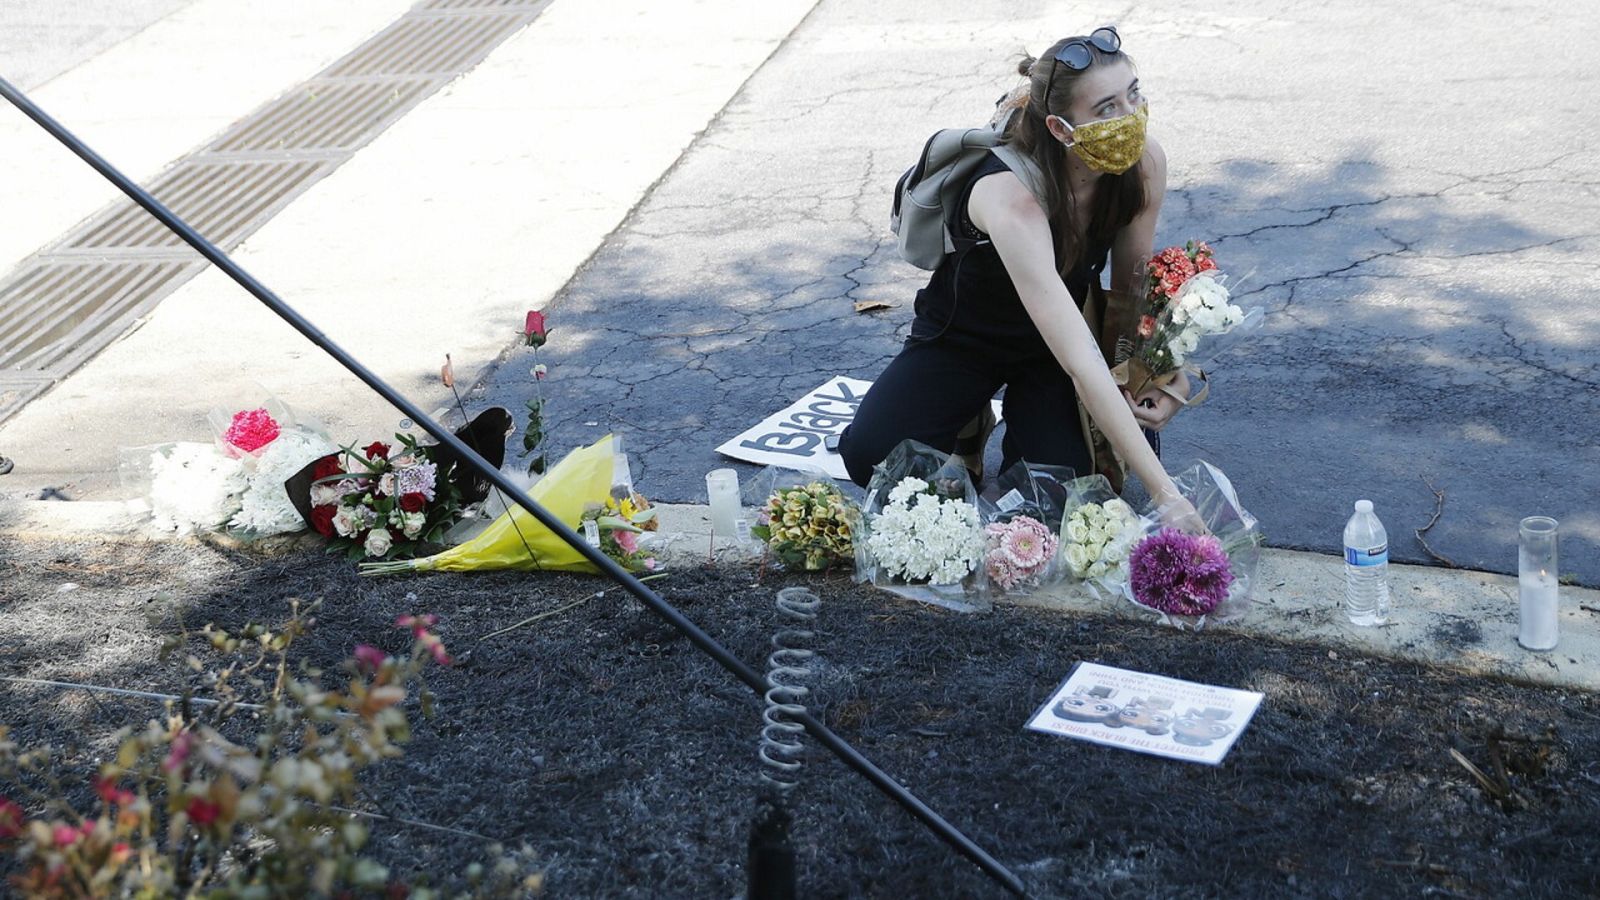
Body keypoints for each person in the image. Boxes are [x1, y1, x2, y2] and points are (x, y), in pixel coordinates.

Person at [838, 27, 1200, 527]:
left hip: (1055, 346)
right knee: (874, 459)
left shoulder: (1144, 163)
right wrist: (1167, 496)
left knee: (1054, 499)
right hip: (965, 337)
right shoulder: (1011, 199)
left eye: (1133, 94)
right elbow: (1083, 362)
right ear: (1059, 128)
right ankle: (969, 420)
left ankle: (1029, 427)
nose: (1129, 118)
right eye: (1106, 109)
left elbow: (1130, 292)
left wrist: (1154, 372)